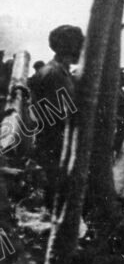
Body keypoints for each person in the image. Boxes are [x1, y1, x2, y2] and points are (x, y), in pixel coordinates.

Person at [27, 25, 84, 207]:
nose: (82, 49)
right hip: (55, 144)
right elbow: (58, 115)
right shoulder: (55, 74)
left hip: (54, 143)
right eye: (78, 44)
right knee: (57, 196)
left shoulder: (59, 72)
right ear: (68, 47)